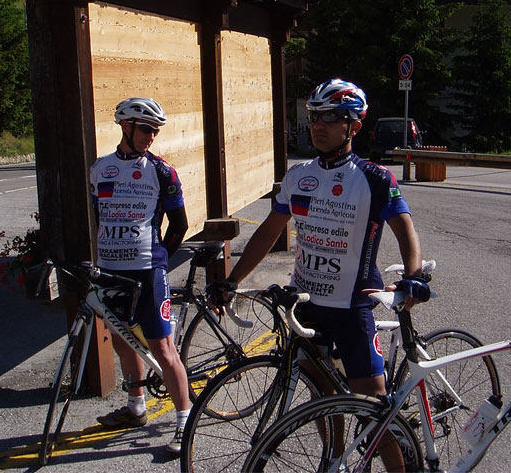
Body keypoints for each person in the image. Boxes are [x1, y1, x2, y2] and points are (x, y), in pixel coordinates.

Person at [210, 79, 429, 470]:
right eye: (314, 117)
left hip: (352, 308)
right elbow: (269, 230)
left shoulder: (376, 178)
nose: (319, 125)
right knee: (323, 398)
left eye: (332, 118)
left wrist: (414, 276)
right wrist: (233, 278)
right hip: (307, 306)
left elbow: (407, 233)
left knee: (372, 411)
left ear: (354, 126)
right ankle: (334, 463)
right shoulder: (299, 176)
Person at [89, 97, 190, 454]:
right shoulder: (100, 169)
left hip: (147, 272)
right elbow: (99, 217)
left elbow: (179, 225)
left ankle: (184, 419)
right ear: (125, 126)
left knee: (162, 347)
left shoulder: (162, 171)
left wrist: (158, 261)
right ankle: (136, 406)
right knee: (121, 340)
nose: (151, 136)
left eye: (155, 131)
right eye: (145, 129)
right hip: (112, 272)